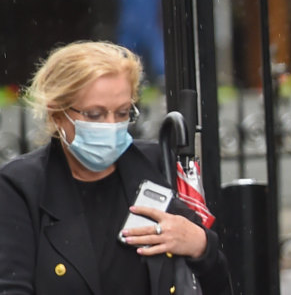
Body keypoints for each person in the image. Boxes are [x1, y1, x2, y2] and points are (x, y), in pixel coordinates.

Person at [0, 41, 231, 294]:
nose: (110, 125)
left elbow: (218, 284)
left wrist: (201, 245)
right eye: (95, 115)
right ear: (57, 114)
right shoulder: (21, 186)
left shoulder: (156, 165)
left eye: (121, 113)